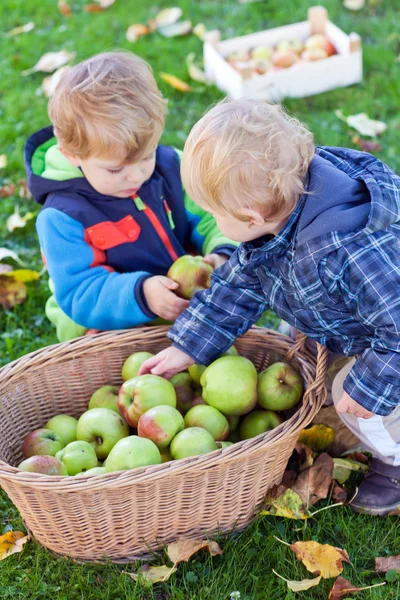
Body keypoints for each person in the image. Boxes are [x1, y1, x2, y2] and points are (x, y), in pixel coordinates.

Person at [140, 98, 400, 516]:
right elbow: (240, 284)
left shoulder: (347, 250)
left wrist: (370, 386)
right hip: (352, 315)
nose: (211, 220)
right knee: (292, 339)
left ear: (248, 214)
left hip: (389, 337)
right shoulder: (280, 214)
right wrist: (188, 345)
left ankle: (395, 463)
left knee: (351, 395)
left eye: (212, 213)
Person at [24, 52, 237, 342]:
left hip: (183, 299)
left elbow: (214, 213)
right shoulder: (63, 217)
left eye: (146, 156)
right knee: (108, 356)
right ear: (72, 155)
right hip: (110, 320)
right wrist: (141, 294)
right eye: (114, 169)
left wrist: (223, 252)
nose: (136, 176)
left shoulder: (171, 166)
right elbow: (79, 292)